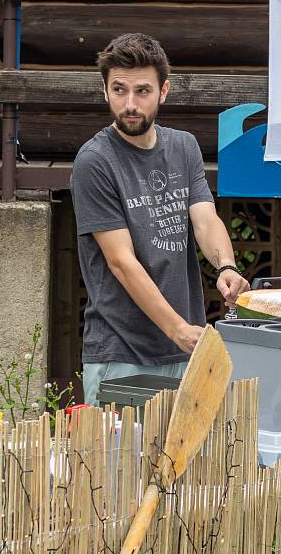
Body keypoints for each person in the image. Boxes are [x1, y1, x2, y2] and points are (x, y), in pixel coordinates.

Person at [71, 33, 250, 405]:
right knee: (120, 463)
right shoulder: (95, 161)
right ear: (105, 91)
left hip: (184, 352)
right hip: (122, 354)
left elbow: (205, 219)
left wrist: (226, 267)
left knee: (186, 464)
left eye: (142, 91)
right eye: (119, 90)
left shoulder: (183, 147)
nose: (130, 104)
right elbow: (121, 263)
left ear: (163, 92)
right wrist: (180, 330)